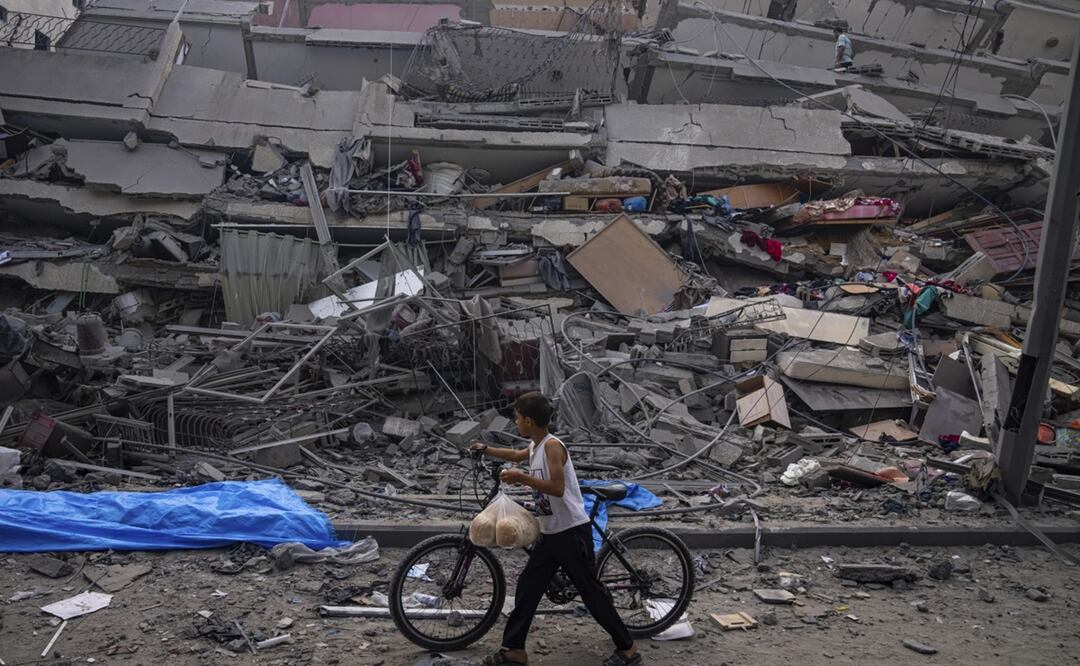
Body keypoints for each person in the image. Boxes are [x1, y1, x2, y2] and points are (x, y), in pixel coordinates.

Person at [470, 392, 641, 666]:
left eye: (517, 418)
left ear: (528, 420)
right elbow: (515, 454)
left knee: (591, 593)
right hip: (551, 533)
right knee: (528, 587)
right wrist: (486, 449)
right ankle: (514, 650)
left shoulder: (552, 446)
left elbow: (557, 488)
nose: (515, 423)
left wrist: (521, 477)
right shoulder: (535, 446)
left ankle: (629, 649)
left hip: (570, 532)